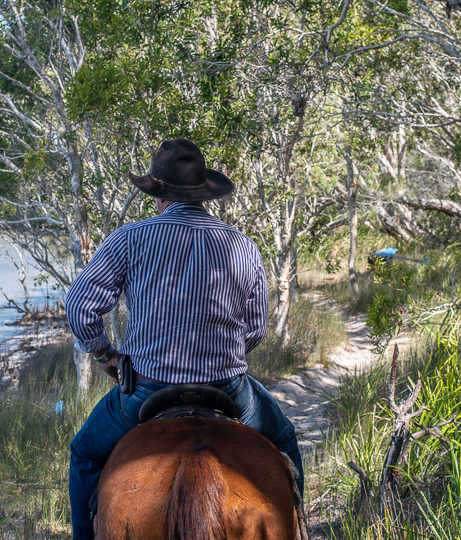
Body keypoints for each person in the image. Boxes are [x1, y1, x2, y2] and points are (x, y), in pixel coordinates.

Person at [65, 139, 303, 540]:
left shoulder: (130, 238)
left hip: (146, 390)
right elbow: (257, 329)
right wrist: (221, 355)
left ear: (159, 193)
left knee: (85, 455)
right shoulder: (243, 247)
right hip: (228, 388)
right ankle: (302, 525)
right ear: (203, 192)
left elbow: (79, 306)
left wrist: (105, 354)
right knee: (284, 441)